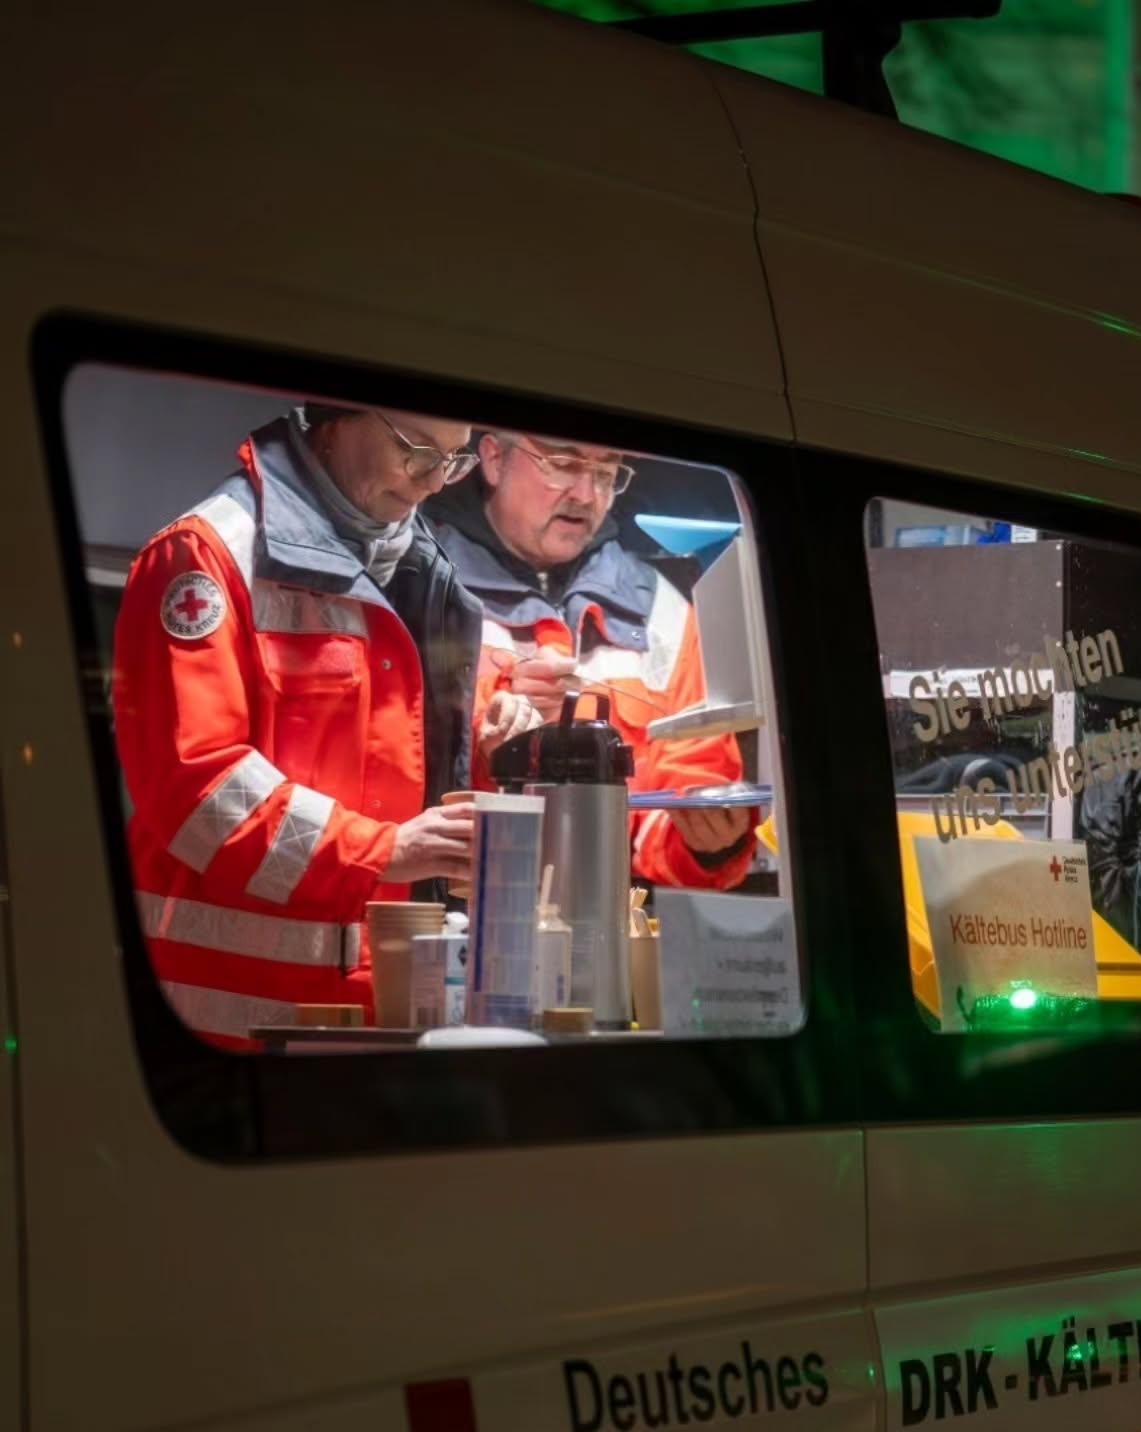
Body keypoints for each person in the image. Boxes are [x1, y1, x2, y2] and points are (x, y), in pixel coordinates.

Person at [113, 404, 531, 1047]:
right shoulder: (206, 555)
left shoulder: (422, 569)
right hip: (231, 1028)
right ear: (335, 418)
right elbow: (199, 790)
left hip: (383, 1015)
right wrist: (384, 853)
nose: (433, 481)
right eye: (416, 449)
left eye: (454, 460)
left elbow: (400, 766)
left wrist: (488, 743)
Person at [426, 430, 757, 891]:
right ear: (495, 459)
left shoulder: (663, 610)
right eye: (563, 463)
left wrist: (707, 844)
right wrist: (495, 732)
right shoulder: (421, 584)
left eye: (605, 472)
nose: (586, 494)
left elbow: (693, 774)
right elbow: (392, 769)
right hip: (460, 915)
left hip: (609, 920)